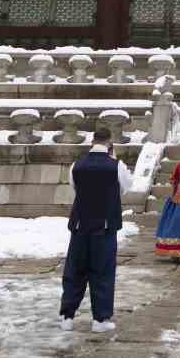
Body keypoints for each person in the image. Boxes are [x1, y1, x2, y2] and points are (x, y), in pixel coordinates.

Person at [59, 124, 132, 333]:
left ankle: (67, 316)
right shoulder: (116, 165)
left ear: (92, 141)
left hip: (80, 225)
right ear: (109, 142)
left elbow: (75, 187)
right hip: (104, 226)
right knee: (102, 272)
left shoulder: (77, 165)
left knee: (75, 270)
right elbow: (126, 187)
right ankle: (100, 319)